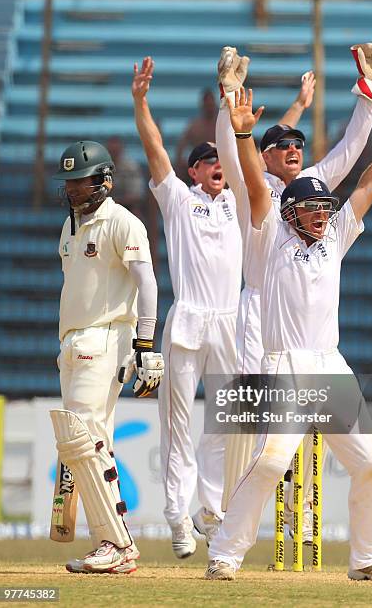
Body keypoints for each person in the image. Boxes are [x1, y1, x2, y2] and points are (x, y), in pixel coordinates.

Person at [205, 88, 372, 581]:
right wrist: (241, 134)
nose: (323, 215)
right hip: (285, 364)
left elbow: (367, 184)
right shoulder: (266, 238)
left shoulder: (334, 237)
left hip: (329, 364)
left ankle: (366, 560)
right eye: (314, 209)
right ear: (291, 212)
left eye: (326, 208)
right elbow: (255, 188)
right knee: (270, 463)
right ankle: (225, 554)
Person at [132, 57, 242, 558]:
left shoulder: (238, 201)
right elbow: (155, 150)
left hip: (229, 323)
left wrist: (230, 100)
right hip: (189, 320)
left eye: (224, 158)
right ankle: (177, 517)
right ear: (194, 169)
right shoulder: (178, 197)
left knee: (227, 420)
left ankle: (209, 509)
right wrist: (141, 102)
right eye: (209, 159)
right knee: (177, 424)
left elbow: (248, 149)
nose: (219, 163)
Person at [51, 140, 164, 574]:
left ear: (104, 181)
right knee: (92, 441)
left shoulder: (123, 222)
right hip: (75, 343)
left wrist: (146, 346)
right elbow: (76, 289)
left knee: (81, 438)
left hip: (108, 339)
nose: (73, 191)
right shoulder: (70, 227)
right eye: (69, 184)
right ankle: (111, 541)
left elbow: (148, 284)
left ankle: (116, 543)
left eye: (81, 182)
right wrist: (65, 342)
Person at [175, 88, 219, 181]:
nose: (209, 106)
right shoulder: (195, 125)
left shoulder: (221, 125)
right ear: (203, 105)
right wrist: (181, 161)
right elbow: (182, 144)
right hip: (199, 164)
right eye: (207, 104)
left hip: (220, 163)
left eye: (211, 103)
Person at [106, 136, 148, 224]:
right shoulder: (101, 169)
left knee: (136, 216)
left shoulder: (131, 167)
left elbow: (137, 196)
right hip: (104, 208)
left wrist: (115, 201)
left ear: (121, 151)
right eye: (111, 152)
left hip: (127, 207)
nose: (113, 154)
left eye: (115, 151)